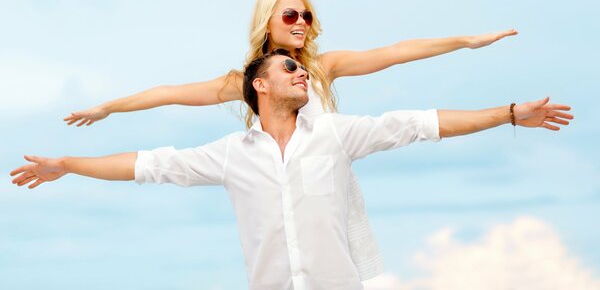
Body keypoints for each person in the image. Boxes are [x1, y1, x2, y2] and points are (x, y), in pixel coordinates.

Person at [12, 50, 573, 289]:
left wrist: (509, 115)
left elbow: (422, 123)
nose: (303, 73)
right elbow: (147, 165)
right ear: (259, 85)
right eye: (289, 68)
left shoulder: (335, 134)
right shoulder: (231, 153)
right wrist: (69, 164)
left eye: (304, 69)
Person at [62, 0, 518, 278]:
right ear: (268, 22)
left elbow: (396, 52)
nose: (301, 22)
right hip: (275, 174)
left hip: (326, 169)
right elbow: (170, 92)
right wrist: (109, 107)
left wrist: (467, 41)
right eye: (290, 16)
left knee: (339, 266)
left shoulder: (321, 68)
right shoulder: (245, 80)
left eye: (306, 16)